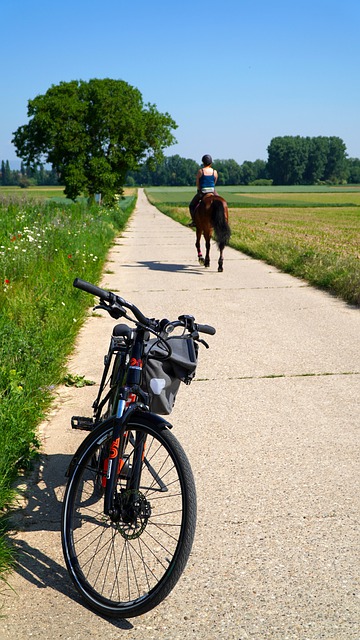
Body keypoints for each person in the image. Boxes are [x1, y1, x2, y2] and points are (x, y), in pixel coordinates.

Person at [188, 154, 219, 226]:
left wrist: (199, 190)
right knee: (220, 202)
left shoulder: (200, 171)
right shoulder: (215, 172)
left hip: (203, 191)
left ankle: (194, 221)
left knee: (191, 205)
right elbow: (215, 182)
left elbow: (197, 183)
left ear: (203, 162)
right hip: (212, 190)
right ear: (211, 163)